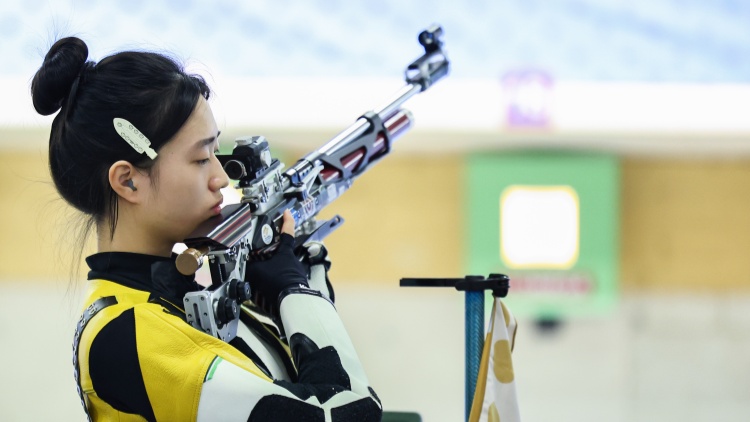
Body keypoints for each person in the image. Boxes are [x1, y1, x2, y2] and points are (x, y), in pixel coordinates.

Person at [32, 37, 382, 421]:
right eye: (201, 158)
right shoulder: (128, 336)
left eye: (218, 153)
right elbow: (351, 413)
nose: (220, 177)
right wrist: (297, 292)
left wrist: (296, 285)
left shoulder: (182, 299)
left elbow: (311, 383)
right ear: (128, 181)